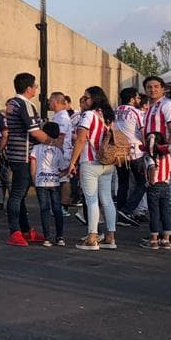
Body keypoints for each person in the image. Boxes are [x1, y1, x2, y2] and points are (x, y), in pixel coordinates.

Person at [67, 86, 118, 252]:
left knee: (91, 200)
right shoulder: (108, 116)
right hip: (108, 161)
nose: (84, 99)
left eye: (86, 97)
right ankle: (110, 236)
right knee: (107, 199)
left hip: (90, 160)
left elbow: (81, 140)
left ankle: (92, 237)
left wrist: (72, 162)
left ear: (94, 99)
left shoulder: (88, 115)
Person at [4, 73, 49, 246]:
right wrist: (53, 143)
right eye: (35, 86)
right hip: (23, 155)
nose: (36, 89)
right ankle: (15, 231)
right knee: (17, 195)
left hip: (14, 153)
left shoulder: (12, 103)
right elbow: (35, 131)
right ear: (28, 88)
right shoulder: (24, 104)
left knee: (20, 194)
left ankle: (24, 230)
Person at [142, 75, 171, 246]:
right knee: (160, 196)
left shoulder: (168, 105)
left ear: (163, 88)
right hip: (153, 154)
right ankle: (161, 234)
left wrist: (167, 150)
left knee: (169, 195)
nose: (153, 90)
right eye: (149, 87)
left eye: (156, 86)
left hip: (163, 155)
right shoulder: (151, 107)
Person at [114, 87, 147, 227]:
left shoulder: (115, 110)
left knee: (123, 183)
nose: (139, 100)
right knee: (142, 182)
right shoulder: (136, 112)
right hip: (135, 151)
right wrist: (148, 147)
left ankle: (120, 210)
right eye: (138, 97)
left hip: (119, 152)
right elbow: (143, 131)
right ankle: (127, 210)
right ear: (132, 99)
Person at [30, 121, 67, 246]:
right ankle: (60, 237)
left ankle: (47, 238)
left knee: (44, 209)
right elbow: (63, 168)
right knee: (57, 209)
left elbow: (33, 166)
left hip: (40, 181)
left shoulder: (36, 148)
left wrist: (34, 179)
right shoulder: (58, 150)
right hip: (54, 182)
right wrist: (58, 175)